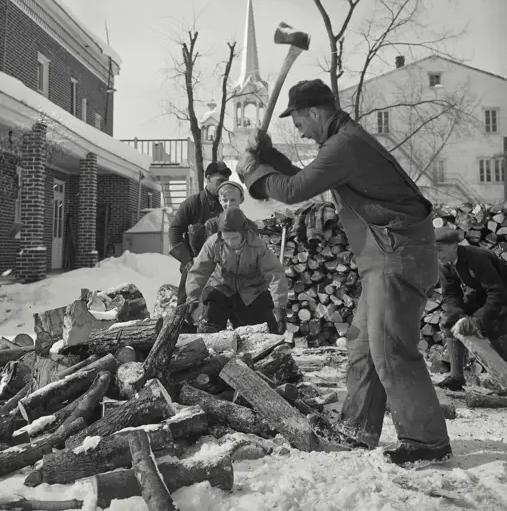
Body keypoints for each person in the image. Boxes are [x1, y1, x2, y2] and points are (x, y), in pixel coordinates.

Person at [236, 78, 450, 466]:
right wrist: (269, 158)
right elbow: (308, 174)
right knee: (363, 346)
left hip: (396, 254)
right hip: (383, 256)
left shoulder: (346, 144)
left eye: (299, 121)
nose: (298, 129)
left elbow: (296, 187)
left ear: (315, 113)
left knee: (390, 349)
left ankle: (426, 440)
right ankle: (357, 429)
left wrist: (253, 169)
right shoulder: (342, 144)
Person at [185, 207, 288, 335]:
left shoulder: (258, 246)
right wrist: (192, 299)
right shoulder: (213, 243)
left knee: (268, 332)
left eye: (234, 238)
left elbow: (275, 274)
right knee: (209, 327)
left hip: (252, 291)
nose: (230, 242)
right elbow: (199, 271)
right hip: (222, 288)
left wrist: (280, 308)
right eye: (226, 237)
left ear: (243, 233)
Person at [435, 226, 507, 391]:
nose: (437, 255)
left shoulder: (476, 257)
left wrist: (477, 320)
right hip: (480, 294)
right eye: (434, 251)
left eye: (440, 250)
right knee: (450, 320)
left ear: (454, 245)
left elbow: (497, 291)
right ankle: (456, 377)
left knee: (494, 324)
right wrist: (459, 316)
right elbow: (450, 295)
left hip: (502, 295)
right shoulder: (444, 264)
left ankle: (505, 376)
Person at [168, 161, 232, 309]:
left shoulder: (227, 205)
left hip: (220, 267)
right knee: (185, 306)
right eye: (220, 181)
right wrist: (187, 261)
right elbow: (174, 231)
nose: (223, 186)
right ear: (208, 178)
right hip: (193, 264)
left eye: (226, 183)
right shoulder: (191, 204)